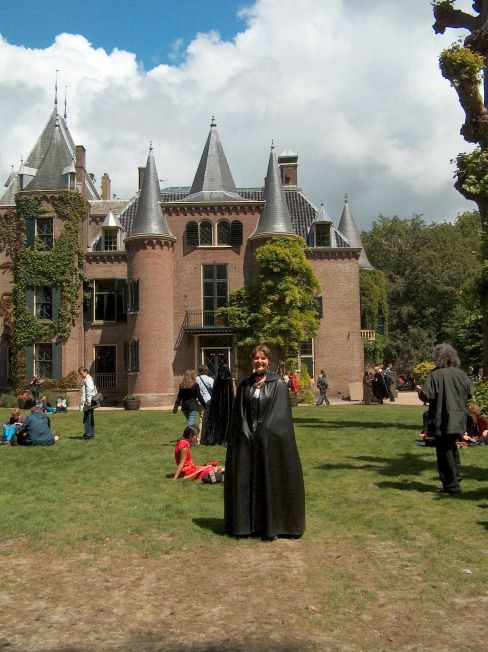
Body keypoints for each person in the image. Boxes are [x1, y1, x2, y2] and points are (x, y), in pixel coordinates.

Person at [224, 344, 305, 540]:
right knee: (247, 480)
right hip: (247, 443)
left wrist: (263, 432)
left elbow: (279, 415)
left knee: (269, 481)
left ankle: (273, 525)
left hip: (269, 443)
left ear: (268, 361)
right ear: (251, 361)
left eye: (263, 358)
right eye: (256, 358)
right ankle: (246, 525)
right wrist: (245, 431)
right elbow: (239, 413)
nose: (259, 361)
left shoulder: (278, 385)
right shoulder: (245, 385)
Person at [418, 343, 473, 495]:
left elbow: (426, 395)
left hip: (443, 418)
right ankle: (456, 476)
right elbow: (470, 392)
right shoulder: (461, 374)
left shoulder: (435, 375)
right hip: (459, 417)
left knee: (444, 451)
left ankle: (452, 485)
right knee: (451, 447)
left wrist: (420, 391)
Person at [201, 364, 235, 445]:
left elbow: (214, 393)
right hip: (227, 405)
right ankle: (225, 438)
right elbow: (231, 394)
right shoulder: (228, 380)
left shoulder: (217, 379)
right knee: (226, 421)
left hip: (217, 405)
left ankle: (216, 438)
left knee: (217, 421)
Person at [78, 366, 97, 440]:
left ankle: (87, 434)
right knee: (90, 418)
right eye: (80, 374)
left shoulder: (88, 379)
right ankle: (91, 434)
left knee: (87, 419)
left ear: (86, 372)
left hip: (88, 403)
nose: (81, 375)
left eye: (81, 373)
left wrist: (88, 402)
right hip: (89, 402)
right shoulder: (88, 379)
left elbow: (90, 391)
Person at [196, 364, 214, 436]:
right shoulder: (210, 379)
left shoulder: (196, 379)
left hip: (198, 401)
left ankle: (204, 435)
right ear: (206, 371)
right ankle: (199, 437)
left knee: (202, 418)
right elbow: (214, 390)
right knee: (203, 419)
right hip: (207, 401)